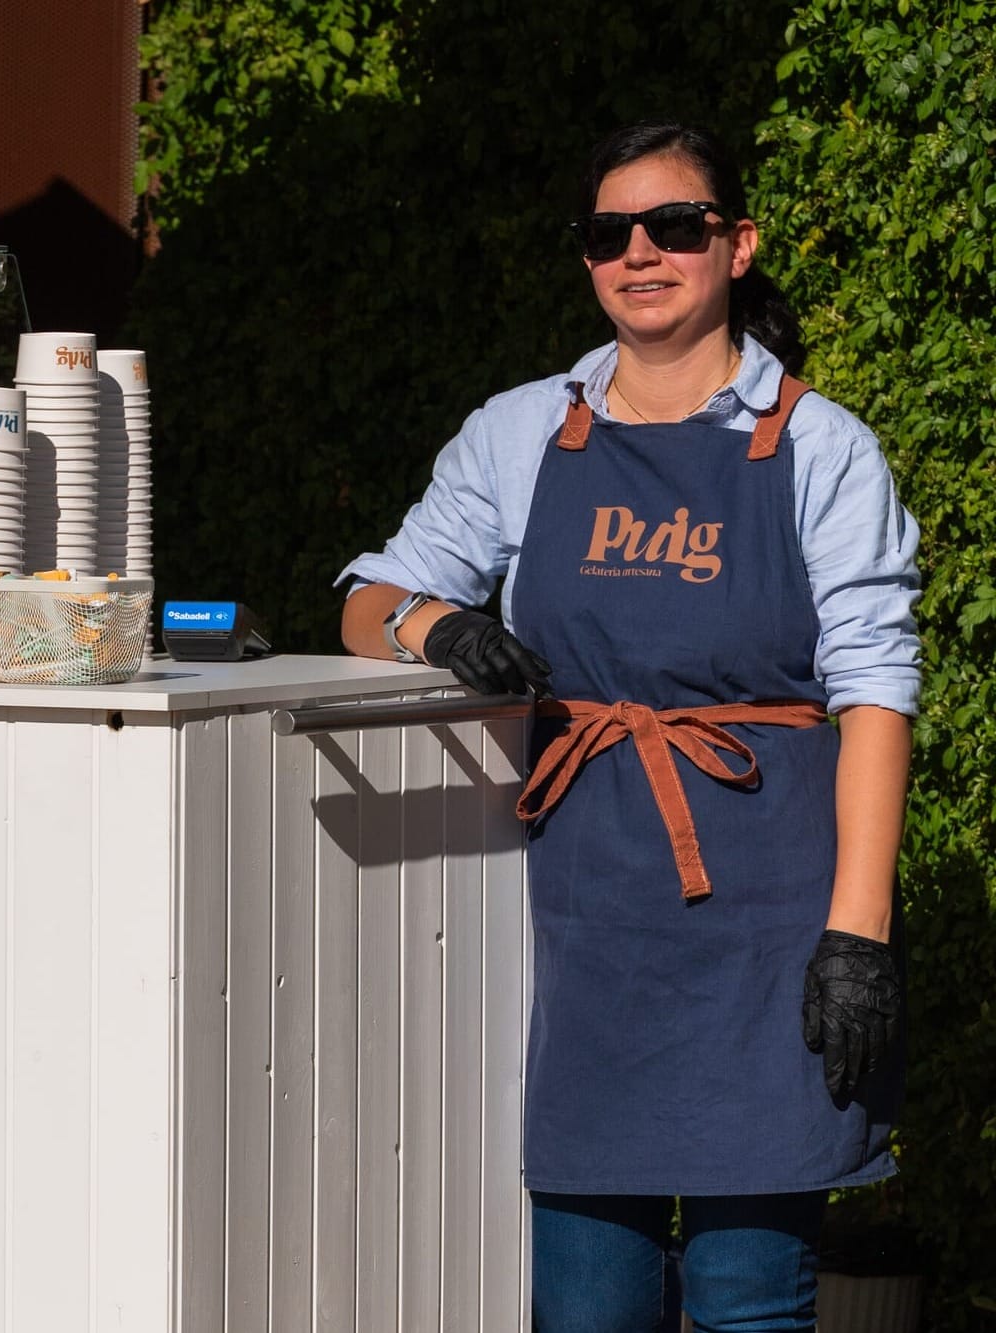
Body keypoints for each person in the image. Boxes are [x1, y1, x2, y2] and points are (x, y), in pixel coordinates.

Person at [338, 122, 919, 1333]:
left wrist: (854, 937)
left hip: (770, 927)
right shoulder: (519, 431)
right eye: (608, 234)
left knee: (746, 1300)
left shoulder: (819, 445)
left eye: (673, 227)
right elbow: (366, 596)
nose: (639, 253)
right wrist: (435, 628)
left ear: (735, 245)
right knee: (584, 1304)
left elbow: (873, 690)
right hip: (583, 926)